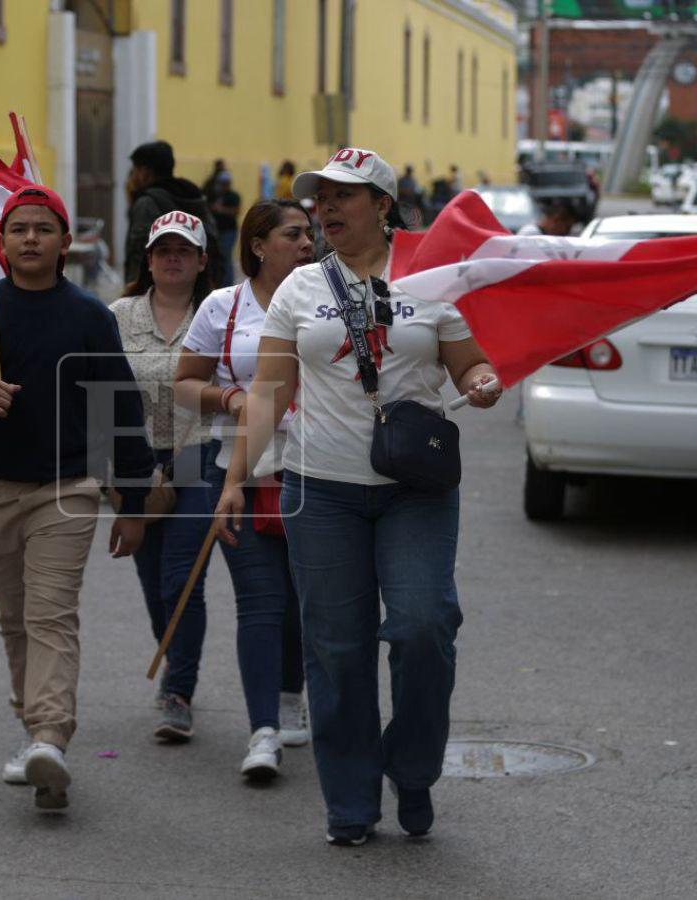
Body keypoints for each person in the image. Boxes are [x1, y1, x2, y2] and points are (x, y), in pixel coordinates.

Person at [215, 148, 502, 845]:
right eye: (320, 198)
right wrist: (234, 479)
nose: (326, 208)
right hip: (320, 490)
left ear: (382, 204)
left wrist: (480, 383)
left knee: (424, 626)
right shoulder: (299, 288)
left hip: (415, 489)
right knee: (337, 650)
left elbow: (469, 363)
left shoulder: (432, 277)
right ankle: (349, 800)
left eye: (343, 195)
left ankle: (412, 768)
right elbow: (270, 390)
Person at [0, 185, 154, 813]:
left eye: (43, 229)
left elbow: (120, 411)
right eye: (18, 228)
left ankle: (50, 736)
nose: (29, 239)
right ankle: (34, 735)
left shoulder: (89, 317)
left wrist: (133, 501)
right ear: (0, 241)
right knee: (15, 618)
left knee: (50, 615)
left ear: (65, 243)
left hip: (66, 490)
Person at [175, 199, 314, 781]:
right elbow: (185, 383)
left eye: (309, 235)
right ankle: (262, 732)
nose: (307, 244)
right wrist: (231, 398)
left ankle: (290, 693)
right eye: (293, 234)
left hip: (316, 468)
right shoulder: (222, 306)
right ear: (258, 245)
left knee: (302, 598)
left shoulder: (328, 300)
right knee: (260, 599)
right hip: (237, 468)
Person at [110, 211, 214, 743]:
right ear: (148, 260)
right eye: (163, 250)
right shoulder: (118, 316)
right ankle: (173, 656)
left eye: (183, 250)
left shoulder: (219, 313)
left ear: (201, 261)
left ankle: (179, 692)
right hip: (135, 461)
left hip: (199, 457)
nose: (173, 258)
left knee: (181, 577)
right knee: (152, 580)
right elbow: (95, 389)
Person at [125, 140, 221, 287]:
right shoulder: (195, 196)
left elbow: (138, 252)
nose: (132, 177)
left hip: (158, 290)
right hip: (199, 284)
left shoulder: (146, 203)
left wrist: (134, 289)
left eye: (135, 170)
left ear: (145, 173)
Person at [209, 170, 242, 287]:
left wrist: (221, 209)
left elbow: (236, 211)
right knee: (218, 257)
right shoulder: (215, 196)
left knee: (226, 256)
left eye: (225, 183)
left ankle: (228, 283)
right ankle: (219, 282)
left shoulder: (233, 196)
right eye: (221, 183)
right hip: (217, 231)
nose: (223, 186)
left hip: (229, 231)